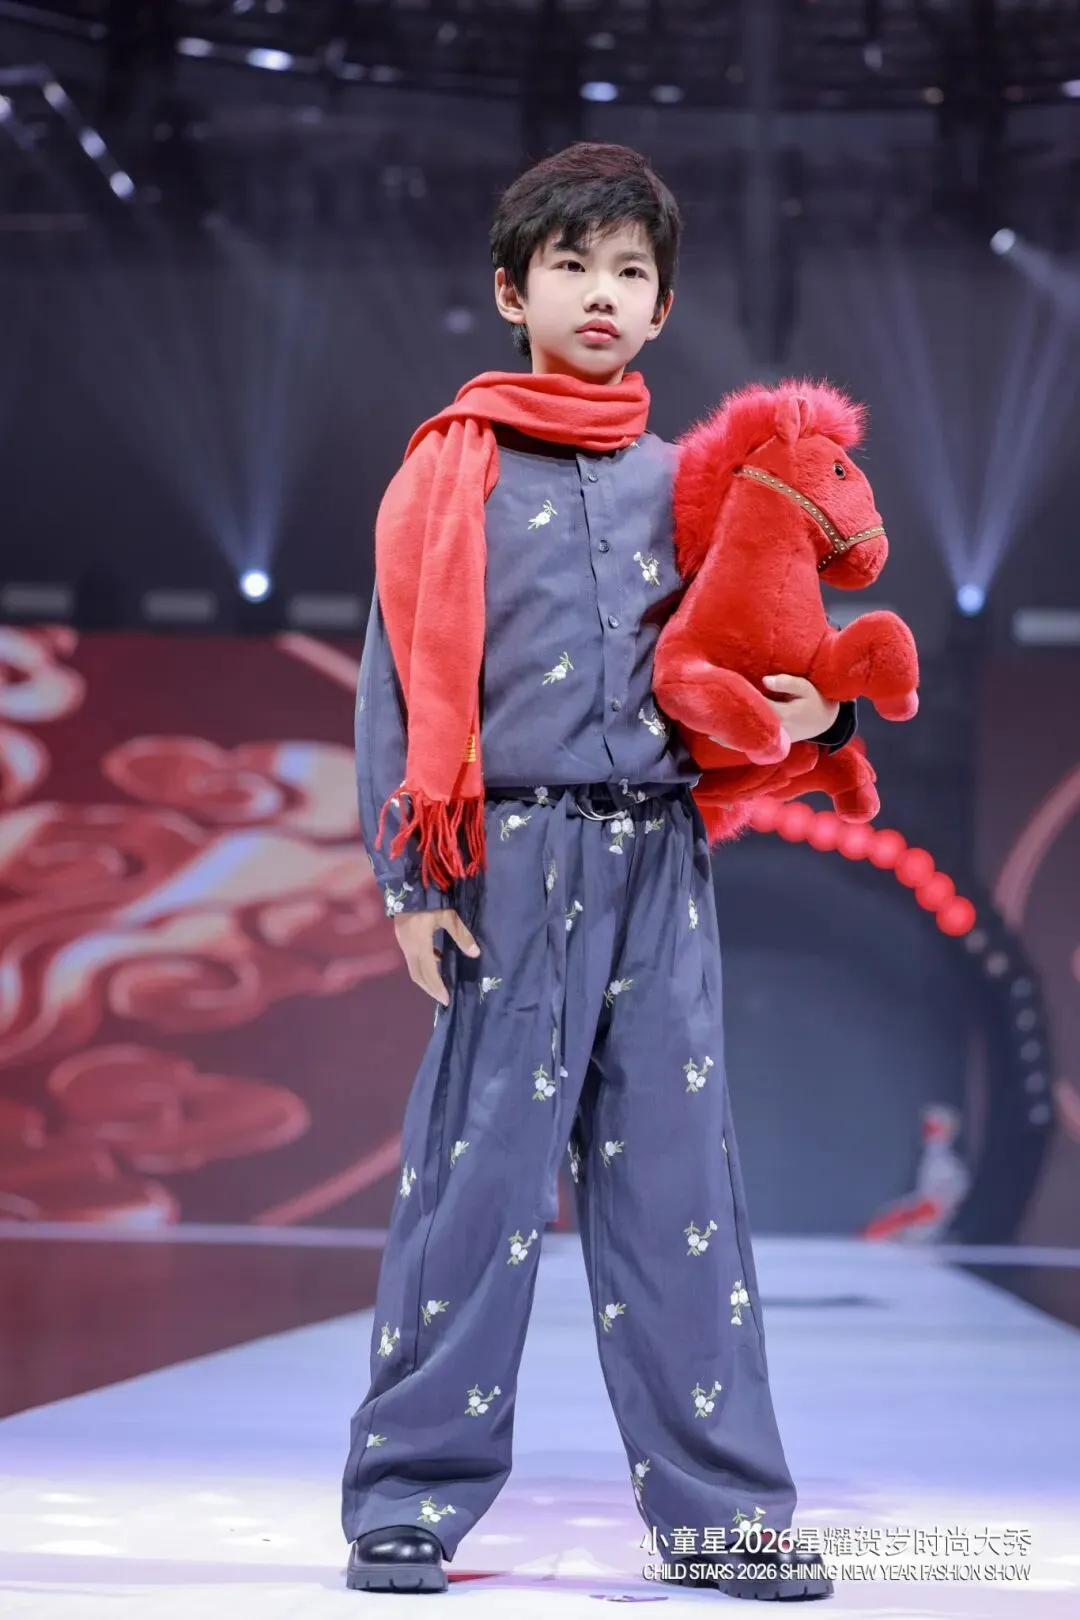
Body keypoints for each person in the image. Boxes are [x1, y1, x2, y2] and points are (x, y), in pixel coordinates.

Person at [342, 142, 854, 1602]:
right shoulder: (447, 474)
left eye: (631, 271)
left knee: (683, 1196)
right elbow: (395, 685)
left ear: (664, 306)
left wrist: (820, 716)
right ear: (513, 291)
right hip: (505, 866)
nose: (602, 293)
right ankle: (408, 1500)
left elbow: (763, 656)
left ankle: (723, 1516)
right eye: (572, 265)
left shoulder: (693, 487)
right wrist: (409, 884)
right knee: (473, 1189)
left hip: (659, 868)